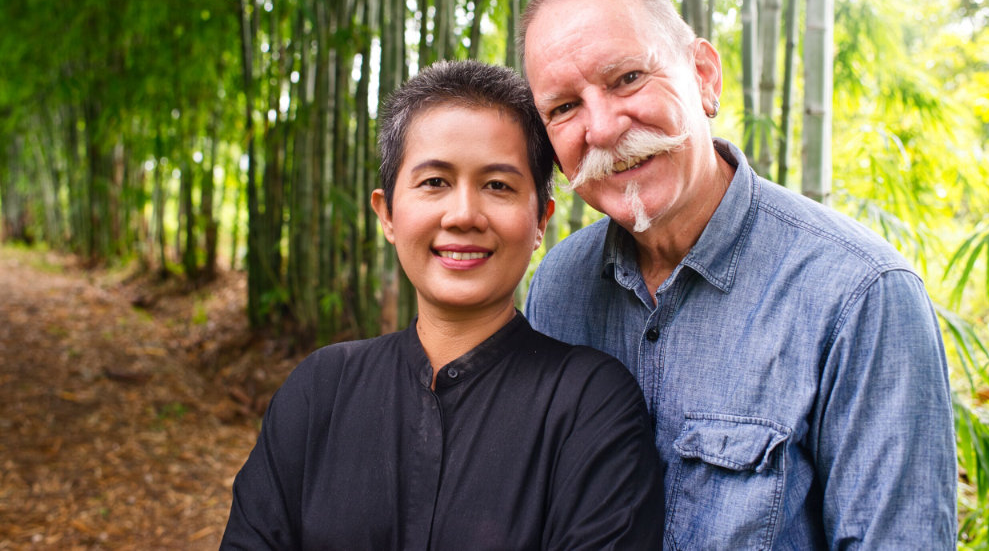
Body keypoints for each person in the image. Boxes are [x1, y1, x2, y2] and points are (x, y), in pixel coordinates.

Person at [520, 0, 957, 549]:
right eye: (564, 108)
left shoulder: (860, 296)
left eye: (627, 78)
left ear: (703, 76)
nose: (601, 128)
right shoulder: (558, 287)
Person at [220, 60, 664, 550]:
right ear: (387, 213)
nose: (464, 215)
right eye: (434, 182)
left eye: (498, 185)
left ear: (541, 219)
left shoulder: (590, 405)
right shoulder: (321, 390)